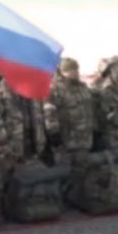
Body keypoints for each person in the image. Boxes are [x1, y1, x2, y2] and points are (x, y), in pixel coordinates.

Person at [43, 58, 95, 204]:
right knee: (64, 170)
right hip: (66, 138)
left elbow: (89, 109)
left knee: (81, 170)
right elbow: (49, 111)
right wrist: (54, 133)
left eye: (76, 69)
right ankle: (59, 199)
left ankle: (75, 198)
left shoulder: (83, 87)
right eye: (71, 70)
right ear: (63, 72)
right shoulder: (56, 89)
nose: (75, 73)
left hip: (84, 137)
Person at [0, 73, 47, 178]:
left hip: (31, 144)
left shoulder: (32, 93)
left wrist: (41, 140)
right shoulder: (1, 95)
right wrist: (3, 143)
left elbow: (40, 115)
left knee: (30, 178)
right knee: (8, 178)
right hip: (10, 147)